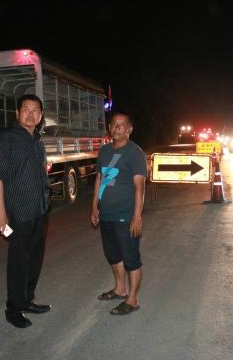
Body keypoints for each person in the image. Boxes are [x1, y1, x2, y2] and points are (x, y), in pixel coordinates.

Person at [0, 94, 51, 328]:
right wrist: (1, 212)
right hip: (18, 212)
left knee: (35, 258)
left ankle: (27, 300)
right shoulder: (7, 139)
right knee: (19, 261)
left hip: (40, 209)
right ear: (17, 113)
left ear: (40, 116)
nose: (30, 114)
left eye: (35, 111)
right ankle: (13, 309)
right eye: (26, 109)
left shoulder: (38, 140)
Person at [91, 112, 147, 315]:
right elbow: (100, 179)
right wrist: (94, 206)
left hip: (126, 215)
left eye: (122, 124)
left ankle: (133, 300)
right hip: (107, 214)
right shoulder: (104, 151)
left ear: (129, 129)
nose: (117, 127)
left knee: (131, 258)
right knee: (113, 254)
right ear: (109, 128)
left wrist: (137, 216)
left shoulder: (135, 153)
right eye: (113, 124)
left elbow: (140, 187)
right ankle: (120, 289)